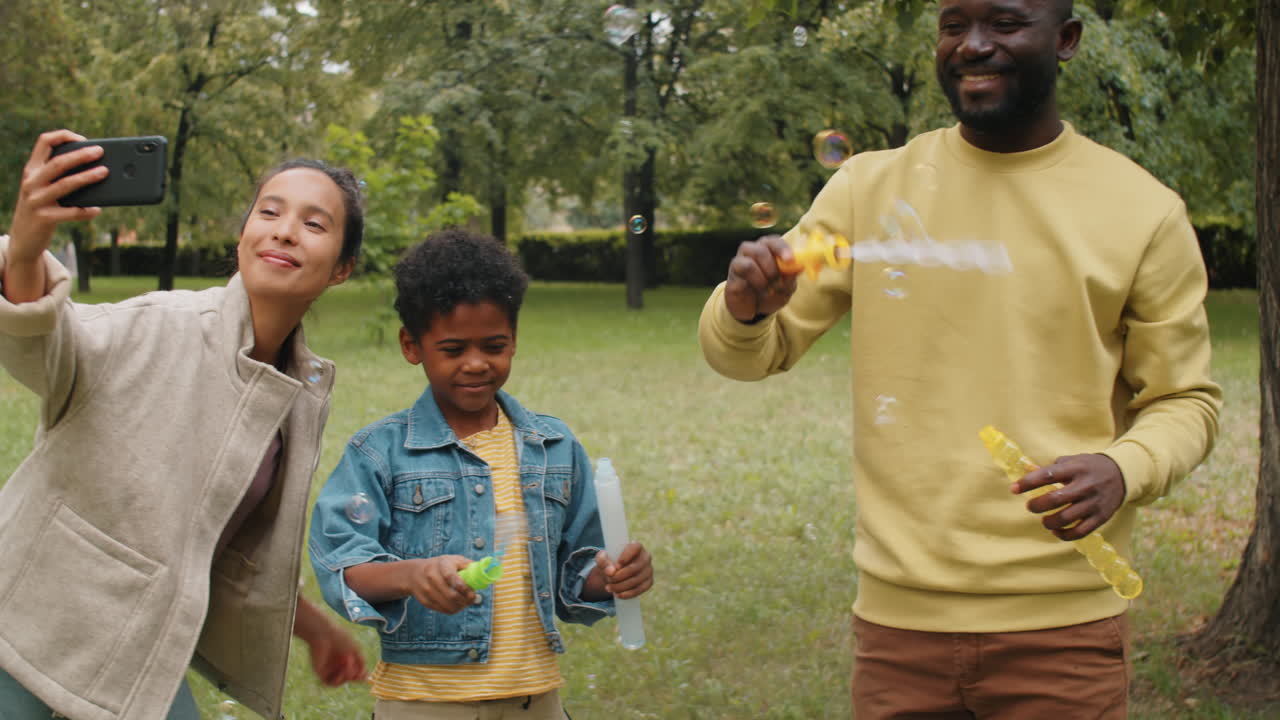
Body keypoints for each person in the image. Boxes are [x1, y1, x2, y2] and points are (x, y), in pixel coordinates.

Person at [698, 1, 1222, 718]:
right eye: (953, 25)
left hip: (1064, 632)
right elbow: (750, 354)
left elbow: (1186, 400)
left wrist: (1123, 468)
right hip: (898, 631)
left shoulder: (1143, 211)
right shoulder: (868, 190)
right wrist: (747, 306)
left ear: (1064, 39)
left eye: (1005, 23)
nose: (974, 46)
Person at [0, 130, 368, 720]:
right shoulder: (156, 325)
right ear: (244, 234)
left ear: (342, 268)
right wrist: (23, 252)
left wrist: (316, 631)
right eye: (268, 212)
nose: (284, 230)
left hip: (135, 652)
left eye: (315, 224)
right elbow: (43, 345)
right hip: (25, 631)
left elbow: (214, 545)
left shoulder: (295, 395)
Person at [309, 229, 654, 720]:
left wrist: (613, 576)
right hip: (425, 705)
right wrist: (412, 574)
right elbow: (342, 564)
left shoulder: (554, 446)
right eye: (453, 349)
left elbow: (578, 569)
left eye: (494, 345)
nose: (476, 364)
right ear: (412, 345)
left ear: (514, 339)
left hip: (536, 701)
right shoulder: (380, 452)